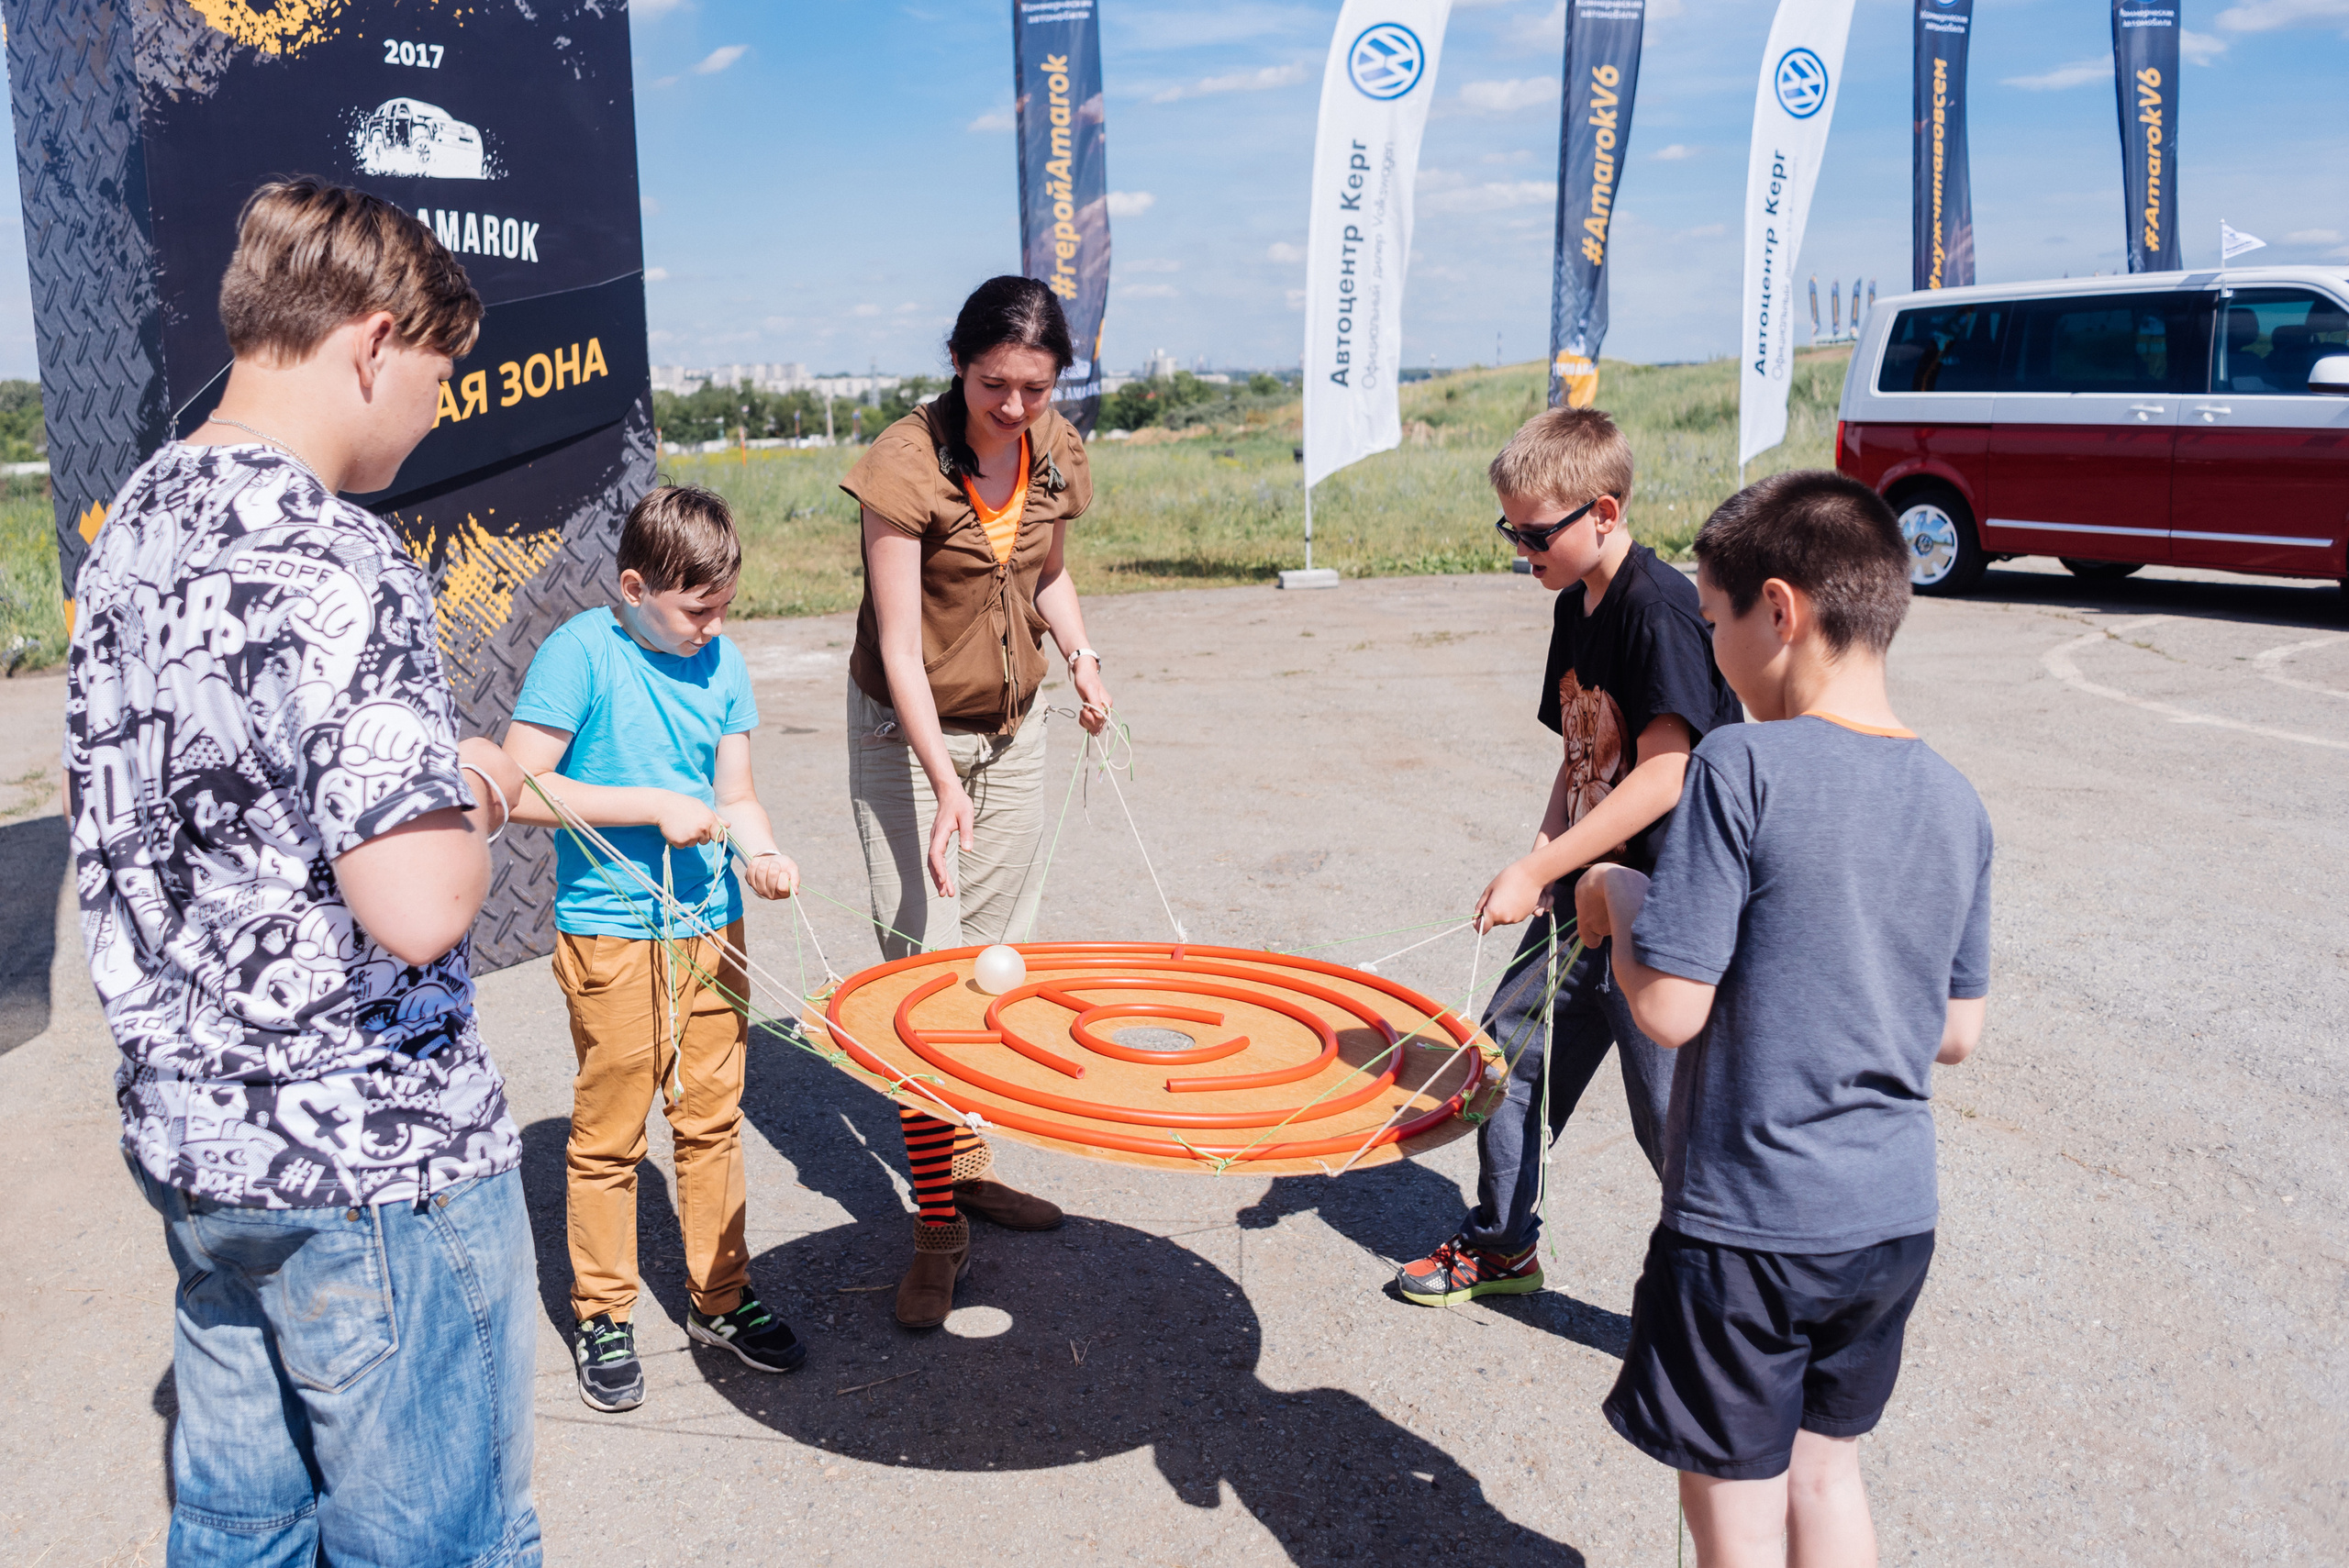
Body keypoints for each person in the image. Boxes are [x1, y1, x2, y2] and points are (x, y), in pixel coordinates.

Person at [68, 178, 541, 1563]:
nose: (441, 407)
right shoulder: (340, 553)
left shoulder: (140, 522)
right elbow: (415, 903)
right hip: (371, 1161)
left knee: (242, 1530)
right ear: (373, 341)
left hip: (199, 1148)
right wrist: (476, 785)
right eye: (441, 374)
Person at [1576, 470, 1991, 1568]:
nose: (1708, 648)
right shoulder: (1955, 796)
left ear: (1779, 608)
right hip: (1890, 1220)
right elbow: (1956, 1032)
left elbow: (1667, 1006)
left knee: (1741, 1511)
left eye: (1710, 621)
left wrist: (1622, 900)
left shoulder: (1740, 761)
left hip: (1751, 1226)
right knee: (1825, 1470)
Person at [1397, 407, 1743, 1307]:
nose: (1521, 547)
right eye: (1509, 528)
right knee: (1504, 1058)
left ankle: (1722, 1292)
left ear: (1602, 508)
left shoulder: (1659, 609)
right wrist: (1542, 851)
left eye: (1535, 531)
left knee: (1670, 1114)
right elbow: (1582, 753)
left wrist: (1545, 870)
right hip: (1576, 895)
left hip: (1659, 905)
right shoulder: (1573, 604)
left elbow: (1665, 773)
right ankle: (1504, 1242)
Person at [838, 275, 1109, 1328]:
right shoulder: (905, 465)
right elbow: (898, 646)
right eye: (995, 384)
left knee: (994, 972)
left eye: (1036, 389)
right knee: (919, 980)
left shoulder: (1054, 449)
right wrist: (941, 777)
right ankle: (935, 1226)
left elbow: (1046, 575)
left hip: (1017, 731)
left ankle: (971, 1165)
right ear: (957, 361)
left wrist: (1081, 657)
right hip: (909, 737)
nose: (1014, 408)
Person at [503, 484, 808, 1412]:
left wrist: (758, 851)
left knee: (712, 1116)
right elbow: (518, 788)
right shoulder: (579, 655)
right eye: (694, 610)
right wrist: (650, 806)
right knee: (611, 1132)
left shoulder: (722, 663)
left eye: (723, 608)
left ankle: (722, 1295)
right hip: (612, 930)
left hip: (711, 925)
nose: (712, 628)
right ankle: (605, 1311)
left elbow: (737, 790)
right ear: (635, 587)